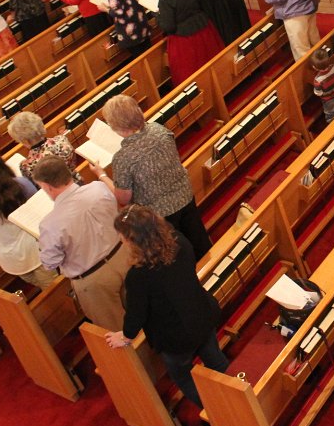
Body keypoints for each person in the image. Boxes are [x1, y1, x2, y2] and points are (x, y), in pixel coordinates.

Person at [104, 205, 229, 407]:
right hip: (201, 315)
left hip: (175, 337)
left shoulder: (138, 276)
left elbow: (137, 314)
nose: (121, 240)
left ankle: (215, 411)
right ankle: (239, 401)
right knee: (216, 360)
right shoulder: (179, 241)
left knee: (184, 377)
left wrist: (126, 336)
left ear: (132, 241)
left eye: (122, 236)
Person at [89, 95, 211, 258]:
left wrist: (102, 175)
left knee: (176, 254)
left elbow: (123, 199)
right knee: (199, 242)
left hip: (161, 216)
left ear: (116, 127)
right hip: (184, 196)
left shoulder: (123, 158)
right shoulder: (159, 129)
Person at [34, 156, 130, 330]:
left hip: (95, 280)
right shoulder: (98, 188)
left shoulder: (50, 224)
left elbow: (50, 263)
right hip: (124, 255)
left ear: (47, 187)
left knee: (119, 331)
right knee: (146, 308)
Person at [0, 145, 57, 289]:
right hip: (36, 248)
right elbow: (38, 209)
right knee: (54, 287)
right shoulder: (21, 185)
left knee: (45, 287)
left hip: (9, 257)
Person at [149, 0, 225, 86]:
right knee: (211, 60)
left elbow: (169, 26)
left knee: (191, 71)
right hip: (204, 29)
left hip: (185, 40)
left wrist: (158, 16)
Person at [8, 111, 83, 186]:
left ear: (25, 141)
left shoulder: (26, 166)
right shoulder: (62, 140)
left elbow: (37, 187)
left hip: (57, 192)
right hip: (77, 183)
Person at [311, 50, 334, 122]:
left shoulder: (318, 80)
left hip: (329, 100)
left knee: (331, 117)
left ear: (314, 67)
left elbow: (318, 93)